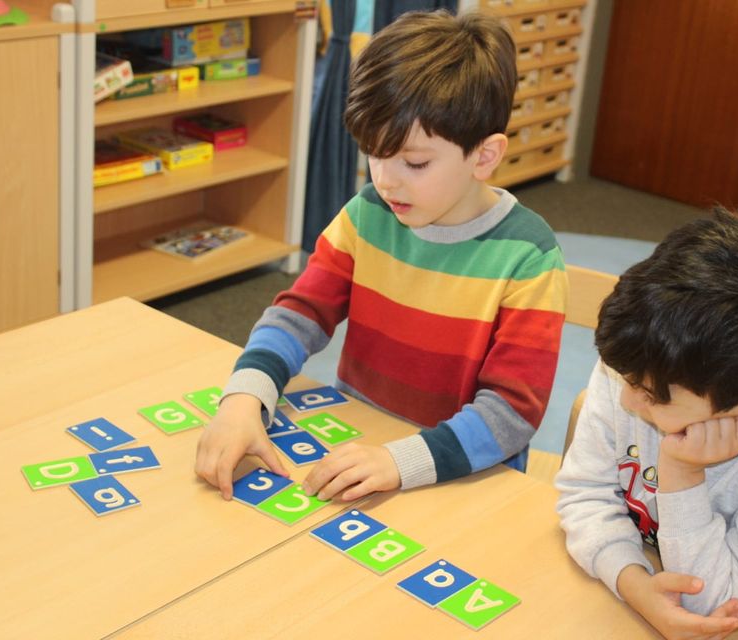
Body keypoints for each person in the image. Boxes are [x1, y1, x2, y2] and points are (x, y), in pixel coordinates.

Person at [195, 10, 567, 504]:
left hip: (461, 478)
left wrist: (400, 461)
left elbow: (511, 414)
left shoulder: (529, 257)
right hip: (363, 450)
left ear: (484, 156)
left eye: (413, 162)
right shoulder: (368, 213)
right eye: (373, 153)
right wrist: (244, 399)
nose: (386, 180)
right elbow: (298, 314)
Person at [555, 208, 738, 640]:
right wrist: (632, 582)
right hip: (623, 588)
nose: (626, 399)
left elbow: (711, 607)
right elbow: (583, 492)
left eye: (654, 396)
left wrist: (683, 473)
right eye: (624, 378)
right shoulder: (644, 356)